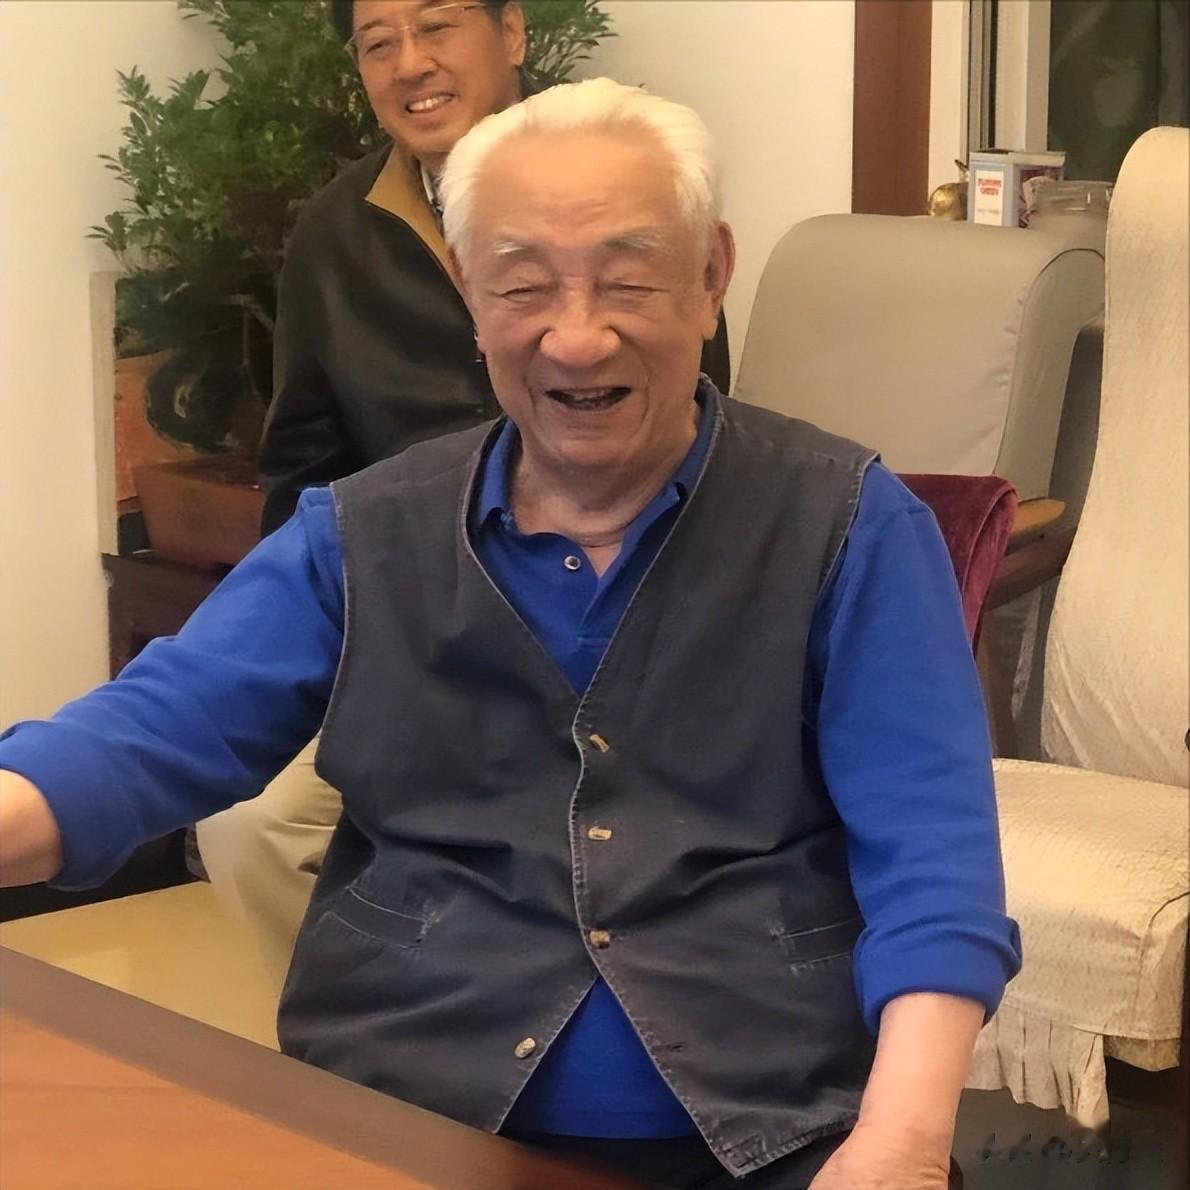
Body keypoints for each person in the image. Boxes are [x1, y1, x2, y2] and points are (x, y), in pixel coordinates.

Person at [0, 80, 1020, 1190]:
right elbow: (138, 742)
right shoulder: (362, 531)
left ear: (710, 277)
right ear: (466, 293)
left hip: (780, 1133)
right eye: (524, 286)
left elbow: (934, 861)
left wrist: (900, 1143)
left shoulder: (850, 525)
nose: (576, 336)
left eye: (628, 280)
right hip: (403, 1116)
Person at [196, 0, 730, 977]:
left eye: (436, 25)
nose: (410, 64)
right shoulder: (336, 235)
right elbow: (303, 460)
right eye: (377, 43)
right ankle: (372, 1043)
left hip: (614, 626)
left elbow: (697, 432)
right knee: (250, 822)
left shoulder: (624, 185)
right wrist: (314, 635)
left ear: (511, 32)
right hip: (411, 629)